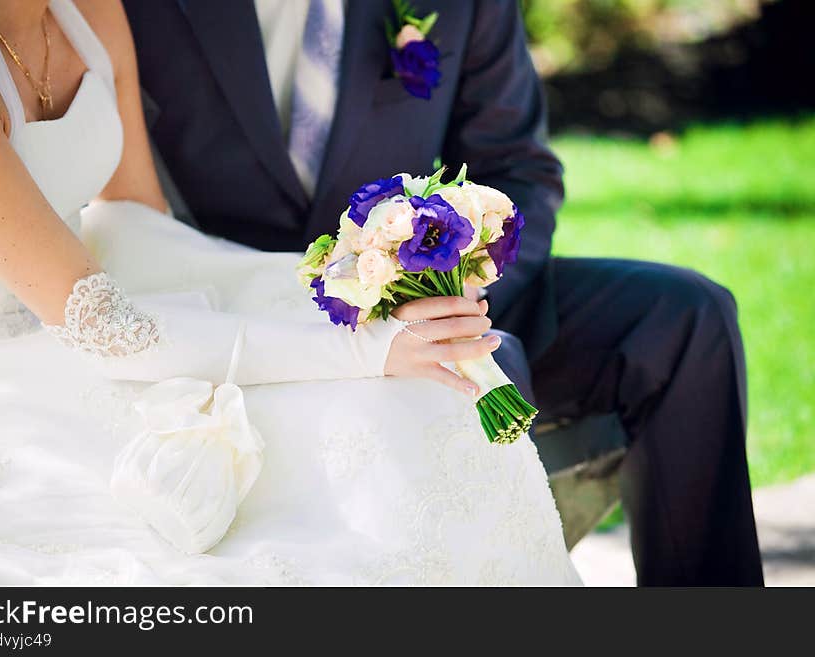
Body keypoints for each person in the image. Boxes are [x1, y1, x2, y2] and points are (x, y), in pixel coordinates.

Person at [0, 0, 580, 585]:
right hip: (2, 366)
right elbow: (106, 328)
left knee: (407, 399)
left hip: (115, 304)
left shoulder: (91, 11)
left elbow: (139, 221)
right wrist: (358, 351)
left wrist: (352, 290)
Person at [123, 0, 764, 585]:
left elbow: (517, 168)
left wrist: (458, 303)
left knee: (686, 317)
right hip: (252, 320)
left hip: (444, 293)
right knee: (487, 368)